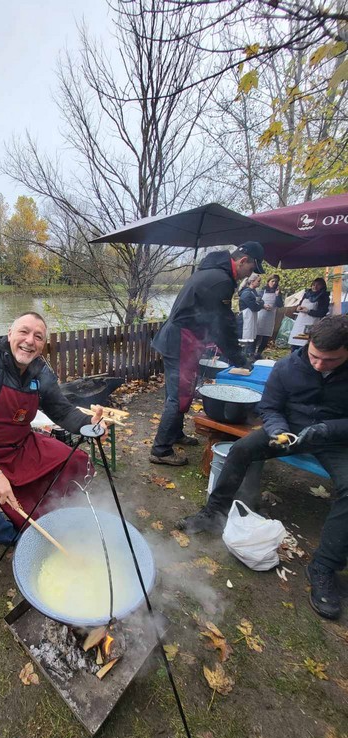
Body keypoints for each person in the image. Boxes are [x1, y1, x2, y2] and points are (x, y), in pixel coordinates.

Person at [181, 315, 348, 620]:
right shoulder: (288, 367)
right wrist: (277, 431)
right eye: (314, 356)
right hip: (289, 430)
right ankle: (213, 513)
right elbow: (269, 407)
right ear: (307, 344)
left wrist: (328, 429)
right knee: (240, 449)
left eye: (330, 360)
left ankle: (323, 567)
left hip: (334, 440)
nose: (319, 365)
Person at [0, 312, 107, 546]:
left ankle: (53, 516)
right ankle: (18, 538)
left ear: (42, 345)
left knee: (75, 461)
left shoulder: (40, 372)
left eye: (38, 336)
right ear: (10, 333)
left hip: (18, 445)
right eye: (24, 332)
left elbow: (61, 410)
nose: (30, 340)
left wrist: (89, 424)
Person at [149, 241, 265, 467]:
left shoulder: (213, 272)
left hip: (179, 339)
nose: (248, 275)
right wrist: (239, 358)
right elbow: (223, 325)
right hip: (180, 340)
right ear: (243, 261)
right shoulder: (220, 280)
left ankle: (174, 434)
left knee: (181, 392)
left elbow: (213, 319)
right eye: (251, 269)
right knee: (179, 397)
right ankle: (160, 450)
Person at [288, 277, 330, 351]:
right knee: (295, 346)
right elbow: (300, 304)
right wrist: (298, 308)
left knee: (305, 346)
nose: (315, 287)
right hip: (300, 323)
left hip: (311, 324)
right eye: (313, 284)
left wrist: (308, 311)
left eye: (318, 285)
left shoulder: (324, 297)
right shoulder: (307, 294)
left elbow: (322, 312)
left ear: (322, 286)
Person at [255, 274, 284, 357]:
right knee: (256, 334)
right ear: (268, 282)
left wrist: (278, 295)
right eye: (272, 281)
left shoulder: (278, 293)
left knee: (266, 336)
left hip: (270, 317)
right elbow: (257, 302)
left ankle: (259, 353)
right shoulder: (262, 291)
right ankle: (252, 352)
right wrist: (263, 306)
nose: (274, 283)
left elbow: (280, 305)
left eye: (276, 282)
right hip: (260, 315)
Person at [238, 273, 264, 357]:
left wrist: (260, 303)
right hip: (245, 318)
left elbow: (259, 302)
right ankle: (243, 354)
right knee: (245, 337)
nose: (259, 283)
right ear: (252, 281)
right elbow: (254, 306)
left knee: (251, 336)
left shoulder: (254, 292)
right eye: (258, 281)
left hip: (251, 317)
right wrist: (261, 304)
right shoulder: (246, 293)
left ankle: (248, 354)